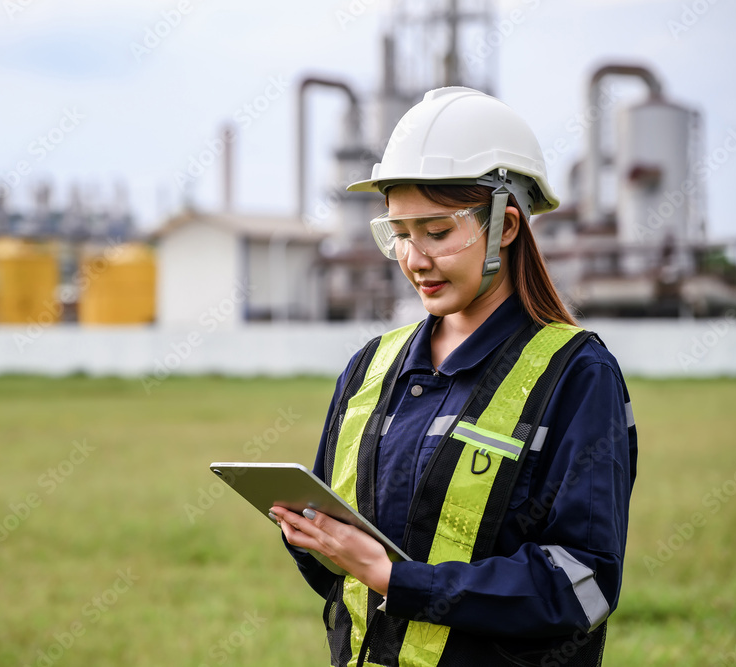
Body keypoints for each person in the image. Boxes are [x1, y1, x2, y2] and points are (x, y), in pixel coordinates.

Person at [269, 87, 638, 667]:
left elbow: (580, 588)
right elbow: (339, 577)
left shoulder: (579, 376)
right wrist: (314, 537)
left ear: (506, 225)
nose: (415, 258)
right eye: (400, 234)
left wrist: (397, 579)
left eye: (437, 232)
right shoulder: (371, 365)